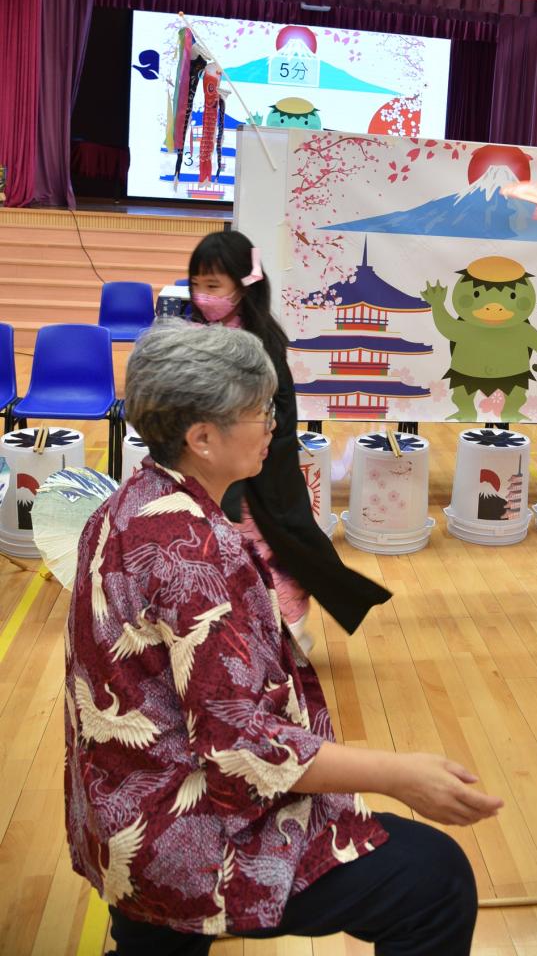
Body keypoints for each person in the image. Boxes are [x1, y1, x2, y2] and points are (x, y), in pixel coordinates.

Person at [65, 320, 502, 955]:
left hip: (117, 810)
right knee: (435, 880)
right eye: (260, 412)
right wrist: (398, 774)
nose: (273, 424)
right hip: (180, 832)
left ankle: (149, 929)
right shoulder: (197, 550)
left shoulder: (125, 503)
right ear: (202, 438)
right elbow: (238, 746)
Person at [187, 229, 390, 650]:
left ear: (243, 286)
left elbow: (272, 412)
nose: (202, 296)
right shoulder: (203, 334)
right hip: (220, 467)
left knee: (264, 549)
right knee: (235, 550)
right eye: (196, 285)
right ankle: (265, 632)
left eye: (213, 286)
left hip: (256, 473)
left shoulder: (260, 342)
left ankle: (290, 630)